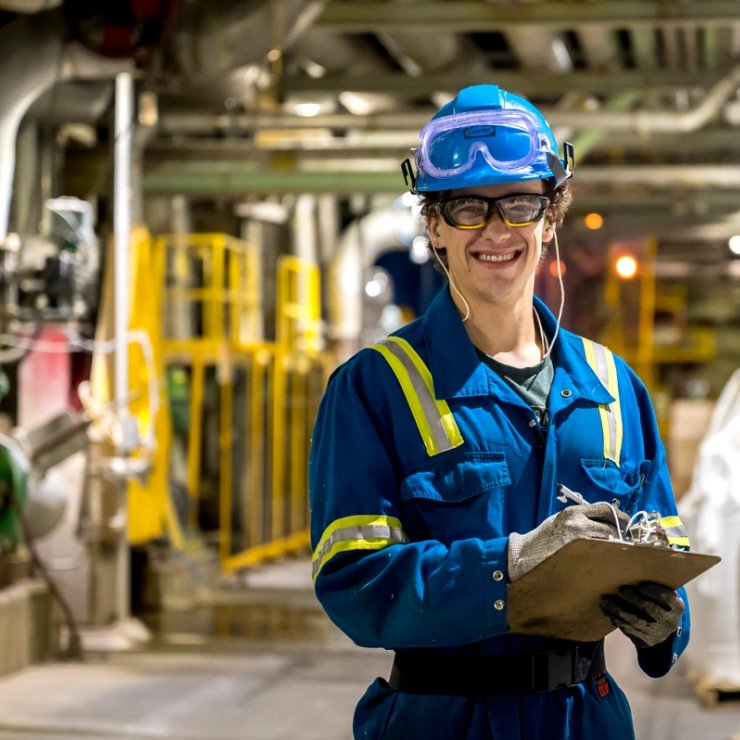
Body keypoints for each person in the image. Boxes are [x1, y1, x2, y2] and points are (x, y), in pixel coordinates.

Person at [309, 84, 690, 740]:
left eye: (518, 204)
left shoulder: (613, 386)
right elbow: (354, 580)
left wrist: (668, 623)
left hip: (587, 720)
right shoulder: (375, 388)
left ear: (548, 220)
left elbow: (665, 546)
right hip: (441, 720)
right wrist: (506, 567)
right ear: (434, 227)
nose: (495, 229)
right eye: (466, 207)